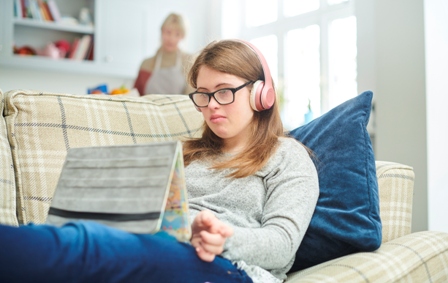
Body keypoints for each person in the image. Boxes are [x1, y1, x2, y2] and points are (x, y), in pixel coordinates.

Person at [0, 39, 319, 283]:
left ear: (261, 94)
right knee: (72, 236)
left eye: (223, 92)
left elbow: (282, 244)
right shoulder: (185, 151)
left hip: (229, 267)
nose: (211, 106)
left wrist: (224, 237)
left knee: (86, 246)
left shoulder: (286, 156)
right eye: (203, 94)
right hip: (158, 245)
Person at [133, 13, 192, 96]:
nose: (171, 38)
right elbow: (136, 95)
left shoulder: (189, 62)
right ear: (162, 32)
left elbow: (191, 96)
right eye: (168, 32)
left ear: (182, 37)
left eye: (177, 34)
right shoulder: (146, 64)